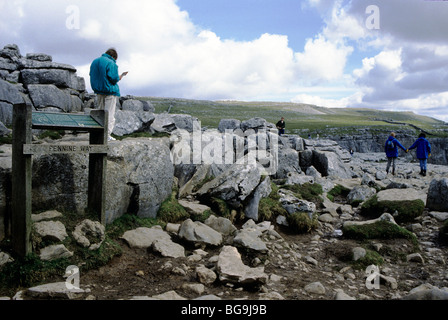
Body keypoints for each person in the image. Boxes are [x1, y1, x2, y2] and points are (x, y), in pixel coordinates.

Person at [90, 48, 128, 141]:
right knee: (109, 114)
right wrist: (121, 76)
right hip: (110, 92)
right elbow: (114, 78)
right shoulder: (111, 63)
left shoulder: (95, 61)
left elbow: (91, 74)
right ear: (113, 56)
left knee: (100, 113)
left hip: (99, 91)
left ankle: (98, 134)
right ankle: (106, 135)